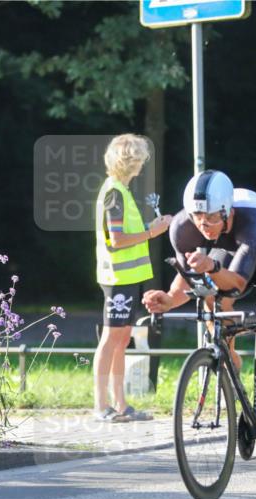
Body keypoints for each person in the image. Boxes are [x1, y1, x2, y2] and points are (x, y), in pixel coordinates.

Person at [142, 170, 256, 470]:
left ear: (228, 212)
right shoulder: (183, 228)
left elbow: (237, 284)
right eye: (197, 218)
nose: (204, 226)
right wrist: (167, 300)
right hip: (228, 255)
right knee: (210, 299)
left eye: (212, 218)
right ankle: (230, 365)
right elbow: (188, 279)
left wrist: (211, 265)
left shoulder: (253, 221)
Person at [93, 134, 172, 422]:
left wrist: (153, 227)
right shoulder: (115, 192)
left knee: (122, 338)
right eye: (138, 158)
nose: (142, 162)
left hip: (127, 277)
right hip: (117, 278)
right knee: (111, 338)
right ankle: (102, 406)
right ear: (130, 161)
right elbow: (116, 240)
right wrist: (152, 232)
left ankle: (120, 404)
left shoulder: (120, 191)